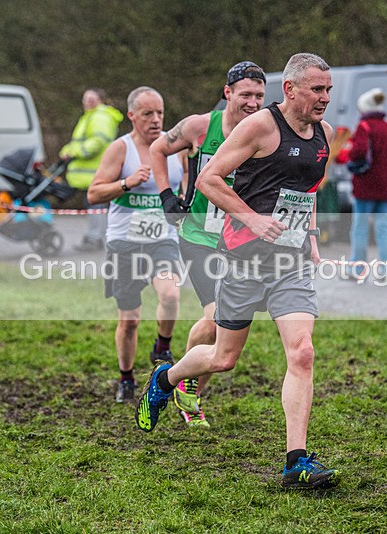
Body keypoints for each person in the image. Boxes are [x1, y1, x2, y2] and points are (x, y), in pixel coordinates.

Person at [136, 53, 339, 490]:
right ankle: (166, 377)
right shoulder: (260, 127)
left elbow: (308, 188)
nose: (325, 98)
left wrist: (314, 234)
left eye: (328, 90)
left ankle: (296, 461)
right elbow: (209, 178)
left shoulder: (325, 134)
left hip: (290, 261)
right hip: (245, 260)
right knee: (223, 358)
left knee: (302, 352)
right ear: (290, 89)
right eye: (316, 90)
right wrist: (251, 218)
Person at [148, 60, 266, 428]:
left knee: (220, 325)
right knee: (216, 316)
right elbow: (156, 149)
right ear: (227, 93)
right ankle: (185, 387)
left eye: (259, 95)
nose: (252, 102)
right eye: (245, 94)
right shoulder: (202, 126)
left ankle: (185, 382)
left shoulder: (265, 132)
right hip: (198, 235)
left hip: (238, 240)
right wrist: (167, 196)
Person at [87, 87, 186, 404]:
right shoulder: (121, 149)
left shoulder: (175, 148)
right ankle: (126, 378)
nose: (156, 120)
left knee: (170, 294)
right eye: (148, 114)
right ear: (132, 116)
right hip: (125, 242)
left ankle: (162, 345)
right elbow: (93, 193)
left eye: (160, 112)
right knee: (129, 320)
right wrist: (126, 183)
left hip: (162, 239)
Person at [60, 88, 125, 252]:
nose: (88, 102)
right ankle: (94, 237)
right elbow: (79, 141)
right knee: (94, 205)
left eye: (92, 99)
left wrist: (75, 153)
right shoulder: (89, 117)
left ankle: (96, 238)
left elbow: (97, 142)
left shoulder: (100, 117)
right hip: (89, 173)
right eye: (85, 99)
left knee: (97, 206)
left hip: (96, 171)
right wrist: (67, 150)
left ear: (101, 101)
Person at [346, 87, 387, 281]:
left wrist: (348, 156)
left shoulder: (364, 127)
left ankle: (357, 269)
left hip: (365, 187)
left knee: (360, 227)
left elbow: (358, 152)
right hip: (386, 188)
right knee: (384, 228)